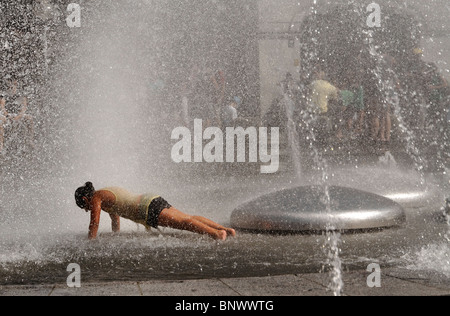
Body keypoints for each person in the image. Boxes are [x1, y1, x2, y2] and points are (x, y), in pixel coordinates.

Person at [75, 182, 236, 241]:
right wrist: (116, 237)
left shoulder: (96, 198)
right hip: (151, 199)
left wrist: (89, 246)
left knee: (184, 223)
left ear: (84, 200)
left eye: (84, 208)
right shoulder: (105, 195)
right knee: (188, 217)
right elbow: (115, 220)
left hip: (147, 209)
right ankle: (223, 229)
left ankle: (216, 235)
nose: (86, 210)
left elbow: (94, 223)